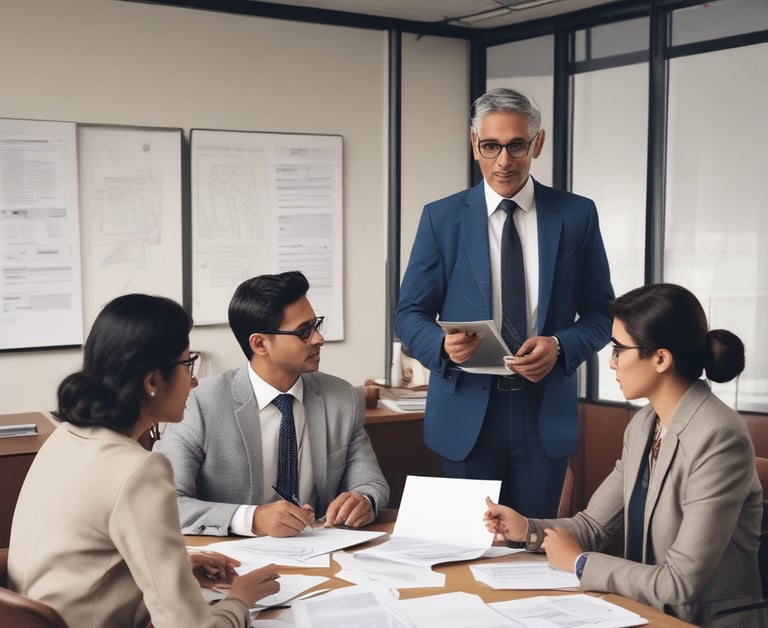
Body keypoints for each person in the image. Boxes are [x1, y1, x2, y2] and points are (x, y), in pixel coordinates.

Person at [484, 283, 765, 627]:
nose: (612, 362)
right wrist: (526, 528)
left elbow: (680, 583)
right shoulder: (645, 423)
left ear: (660, 358)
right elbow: (591, 527)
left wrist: (581, 564)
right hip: (645, 611)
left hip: (698, 620)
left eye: (618, 349)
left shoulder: (719, 436)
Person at [395, 87, 613, 518]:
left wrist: (561, 345)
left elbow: (602, 314)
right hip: (465, 412)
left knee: (535, 549)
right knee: (467, 549)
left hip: (543, 413)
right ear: (475, 143)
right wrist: (441, 347)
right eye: (491, 146)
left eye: (517, 146)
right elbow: (408, 314)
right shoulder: (441, 218)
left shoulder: (576, 215)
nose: (504, 161)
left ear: (538, 143)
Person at [7, 294, 280, 628]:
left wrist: (181, 567)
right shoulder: (139, 469)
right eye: (187, 364)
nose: (193, 381)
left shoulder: (64, 439)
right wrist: (241, 600)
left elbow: (82, 559)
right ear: (152, 381)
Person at [155, 271, 389, 537]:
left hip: (321, 552)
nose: (318, 339)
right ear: (260, 343)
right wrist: (250, 519)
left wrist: (364, 500)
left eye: (316, 325)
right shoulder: (201, 403)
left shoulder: (342, 398)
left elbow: (371, 482)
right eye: (304, 331)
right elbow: (165, 503)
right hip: (230, 561)